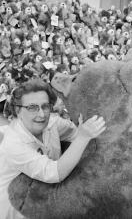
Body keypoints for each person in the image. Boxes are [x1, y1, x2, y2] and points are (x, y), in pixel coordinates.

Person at [0, 78, 106, 219]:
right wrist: (83, 137)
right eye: (32, 107)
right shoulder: (13, 143)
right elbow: (54, 173)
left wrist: (82, 132)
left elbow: (76, 133)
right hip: (17, 209)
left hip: (49, 198)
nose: (42, 114)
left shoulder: (52, 122)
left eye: (45, 106)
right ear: (18, 111)